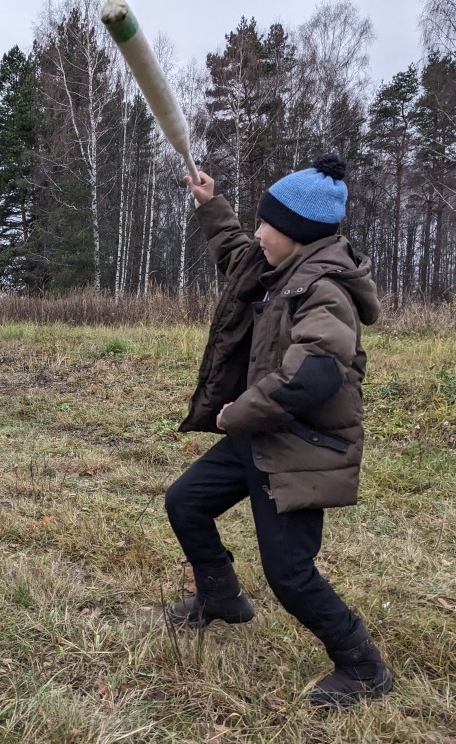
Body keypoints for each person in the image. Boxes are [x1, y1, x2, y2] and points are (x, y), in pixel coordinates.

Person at [165, 155, 393, 708]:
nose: (258, 231)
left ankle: (363, 667)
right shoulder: (280, 268)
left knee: (289, 574)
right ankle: (221, 598)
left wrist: (240, 412)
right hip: (259, 436)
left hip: (297, 447)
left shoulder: (324, 289)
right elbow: (235, 251)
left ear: (294, 231)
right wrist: (210, 203)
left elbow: (317, 370)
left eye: (266, 223)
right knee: (186, 502)